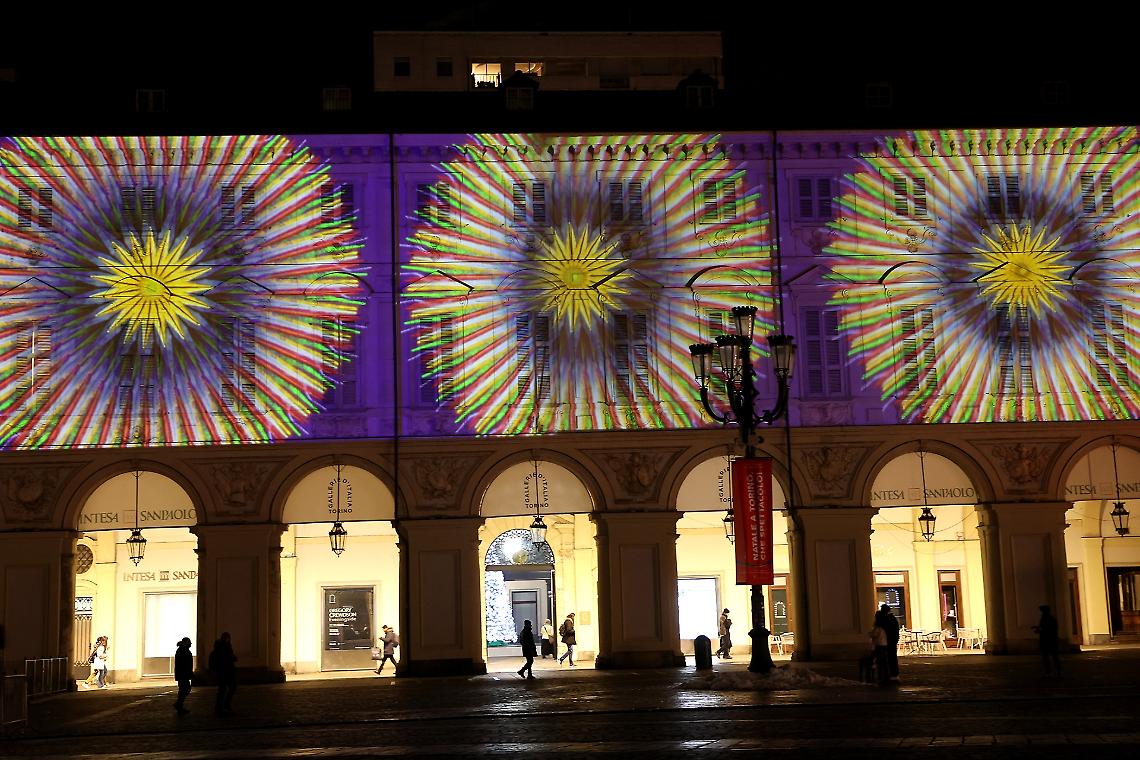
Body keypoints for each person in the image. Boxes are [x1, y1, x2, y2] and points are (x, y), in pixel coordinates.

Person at [208, 632, 237, 715]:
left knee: (226, 689)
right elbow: (222, 660)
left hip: (227, 672)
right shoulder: (221, 649)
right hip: (223, 672)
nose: (228, 640)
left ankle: (223, 705)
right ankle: (221, 706)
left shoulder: (225, 648)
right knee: (223, 689)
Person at [1033, 604, 1061, 676]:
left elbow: (1045, 629)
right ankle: (1058, 671)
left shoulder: (1044, 618)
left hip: (1046, 640)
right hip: (1052, 640)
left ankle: (1048, 672)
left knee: (1046, 657)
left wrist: (1038, 630)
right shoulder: (1052, 618)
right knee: (1054, 657)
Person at [877, 603, 901, 681]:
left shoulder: (887, 619)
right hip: (892, 641)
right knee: (892, 657)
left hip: (888, 641)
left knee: (890, 658)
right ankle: (893, 674)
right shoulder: (892, 619)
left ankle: (891, 674)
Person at [173, 637, 193, 715]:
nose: (190, 645)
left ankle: (179, 704)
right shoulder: (183, 650)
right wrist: (189, 672)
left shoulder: (182, 650)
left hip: (183, 673)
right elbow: (184, 664)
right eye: (189, 643)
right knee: (185, 689)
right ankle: (179, 705)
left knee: (184, 689)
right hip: (183, 674)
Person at [868, 617, 889, 685]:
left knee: (878, 661)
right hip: (884, 645)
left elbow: (873, 635)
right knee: (883, 661)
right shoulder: (883, 629)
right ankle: (884, 676)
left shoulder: (877, 629)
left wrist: (870, 633)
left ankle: (879, 676)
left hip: (879, 646)